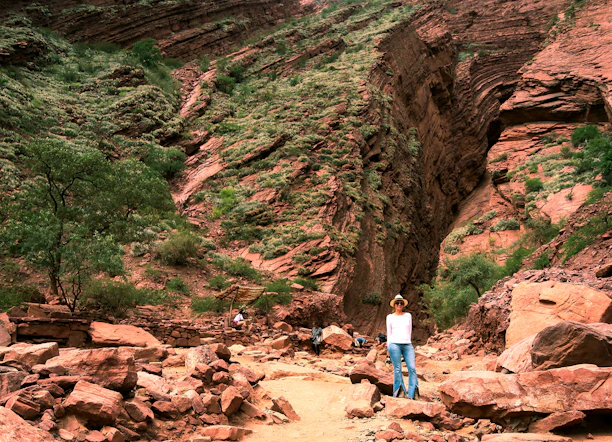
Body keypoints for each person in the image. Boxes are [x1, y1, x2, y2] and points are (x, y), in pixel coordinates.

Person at [386, 294, 419, 399]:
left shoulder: (408, 315)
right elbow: (389, 333)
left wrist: (408, 342)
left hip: (407, 344)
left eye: (401, 303)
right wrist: (388, 347)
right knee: (397, 369)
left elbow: (409, 331)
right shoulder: (390, 317)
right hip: (394, 344)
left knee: (412, 368)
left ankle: (413, 393)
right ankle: (400, 392)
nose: (399, 305)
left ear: (403, 305)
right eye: (397, 303)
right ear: (394, 305)